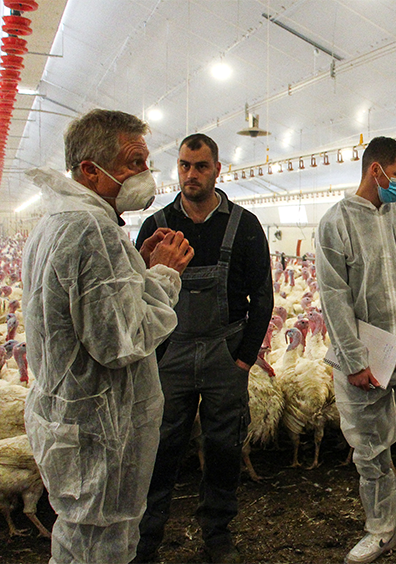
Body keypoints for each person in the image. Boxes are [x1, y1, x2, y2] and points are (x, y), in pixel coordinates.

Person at [19, 108, 191, 564]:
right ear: (91, 171)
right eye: (134, 163)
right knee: (100, 548)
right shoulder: (90, 227)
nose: (145, 174)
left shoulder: (62, 221)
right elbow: (120, 341)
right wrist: (166, 276)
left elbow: (93, 311)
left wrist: (139, 269)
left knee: (82, 542)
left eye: (145, 162)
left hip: (75, 421)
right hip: (100, 429)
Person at [132, 133, 272, 564]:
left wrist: (244, 357)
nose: (191, 174)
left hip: (223, 353)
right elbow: (136, 294)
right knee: (159, 448)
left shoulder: (243, 226)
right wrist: (152, 358)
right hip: (171, 354)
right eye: (184, 166)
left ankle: (217, 532)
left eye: (201, 166)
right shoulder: (154, 227)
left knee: (225, 447)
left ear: (217, 169)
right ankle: (147, 538)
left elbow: (263, 298)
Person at [312, 136, 396, 564]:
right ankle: (381, 529)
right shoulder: (337, 223)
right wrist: (352, 360)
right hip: (365, 358)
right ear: (375, 171)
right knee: (370, 450)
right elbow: (334, 296)